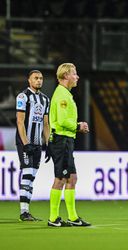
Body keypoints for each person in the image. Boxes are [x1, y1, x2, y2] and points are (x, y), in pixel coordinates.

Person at [47, 63, 91, 227]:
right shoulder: (62, 96)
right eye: (74, 73)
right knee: (61, 178)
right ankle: (53, 218)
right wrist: (78, 126)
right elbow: (62, 120)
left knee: (72, 178)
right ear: (66, 76)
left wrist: (76, 125)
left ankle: (73, 217)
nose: (77, 77)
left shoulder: (65, 94)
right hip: (61, 140)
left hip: (66, 140)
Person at [16, 70, 50, 221]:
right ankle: (24, 212)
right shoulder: (23, 97)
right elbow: (20, 121)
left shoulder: (45, 99)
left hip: (37, 143)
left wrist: (48, 144)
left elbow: (46, 124)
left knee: (32, 176)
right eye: (36, 78)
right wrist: (25, 143)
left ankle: (26, 211)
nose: (39, 81)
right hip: (26, 142)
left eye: (41, 78)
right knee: (28, 173)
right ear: (29, 80)